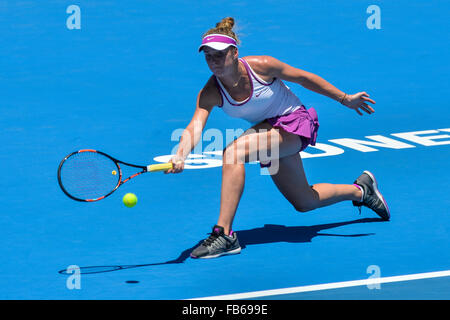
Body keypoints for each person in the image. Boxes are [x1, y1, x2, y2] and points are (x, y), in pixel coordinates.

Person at [165, 17, 390, 259]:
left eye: (219, 54)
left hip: (294, 123)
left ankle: (225, 234)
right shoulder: (211, 91)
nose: (213, 61)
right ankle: (360, 190)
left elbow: (304, 78)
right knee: (305, 202)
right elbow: (195, 126)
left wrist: (345, 99)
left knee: (233, 152)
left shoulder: (261, 66)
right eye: (208, 55)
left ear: (234, 53)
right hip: (268, 133)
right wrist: (180, 154)